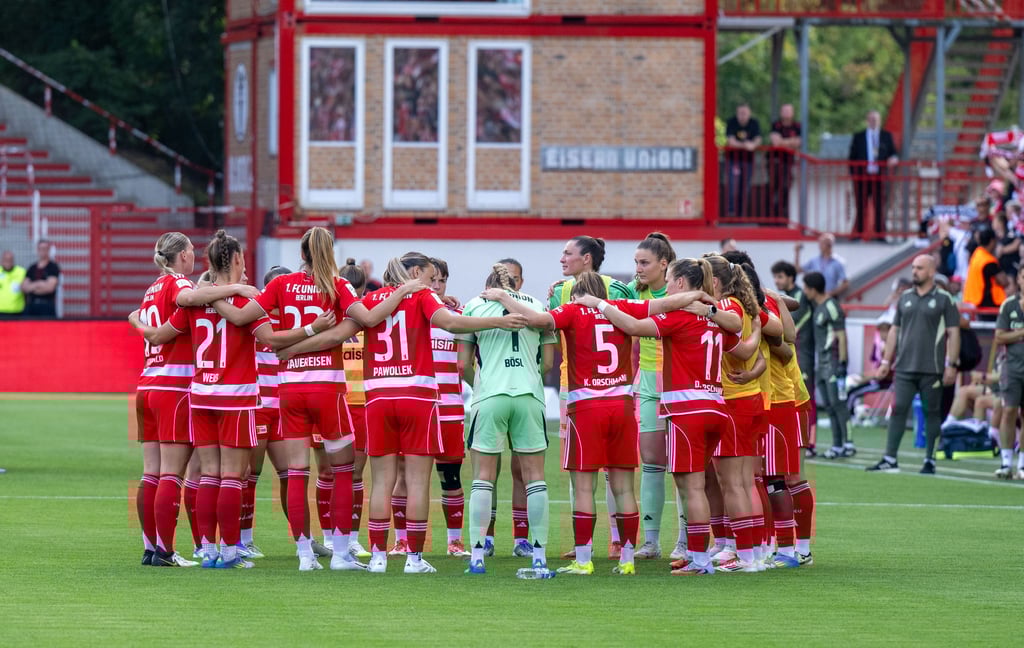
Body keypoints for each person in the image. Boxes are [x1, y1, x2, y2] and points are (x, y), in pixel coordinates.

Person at [223, 227, 419, 571]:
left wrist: (212, 294)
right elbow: (370, 319)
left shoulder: (280, 285)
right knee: (344, 472)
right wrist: (404, 290)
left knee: (297, 472)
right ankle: (342, 553)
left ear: (302, 253)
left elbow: (246, 322)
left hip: (290, 390)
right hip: (328, 388)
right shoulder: (338, 286)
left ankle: (304, 555)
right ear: (330, 252)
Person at [133, 231, 328, 569]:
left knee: (207, 475)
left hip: (199, 394)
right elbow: (270, 339)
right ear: (237, 260)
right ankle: (230, 551)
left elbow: (159, 334)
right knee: (231, 478)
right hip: (235, 396)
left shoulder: (194, 300)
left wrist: (135, 317)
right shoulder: (245, 303)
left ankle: (206, 550)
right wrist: (312, 331)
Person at [577, 259, 743, 575]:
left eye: (669, 279)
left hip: (687, 409)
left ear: (681, 282)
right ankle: (702, 554)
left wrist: (598, 303)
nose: (666, 286)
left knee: (691, 487)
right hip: (716, 407)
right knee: (700, 485)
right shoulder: (716, 317)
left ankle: (700, 560)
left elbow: (633, 327)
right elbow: (739, 342)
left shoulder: (681, 314)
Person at [484, 271, 642, 576]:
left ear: (577, 294)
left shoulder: (572, 310)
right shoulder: (619, 310)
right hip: (622, 405)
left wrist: (504, 297)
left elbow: (537, 319)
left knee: (584, 486)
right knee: (623, 487)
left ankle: (583, 559)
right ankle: (627, 559)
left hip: (586, 406)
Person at [128, 231, 257, 568]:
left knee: (152, 473)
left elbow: (157, 333)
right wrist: (237, 288)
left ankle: (152, 547)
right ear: (183, 256)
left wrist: (136, 322)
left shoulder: (151, 289)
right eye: (189, 251)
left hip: (147, 384)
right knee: (176, 474)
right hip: (177, 386)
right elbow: (190, 299)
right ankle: (168, 551)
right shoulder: (179, 284)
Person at [460, 263, 555, 575]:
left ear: (489, 286)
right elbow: (549, 363)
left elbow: (463, 365)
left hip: (490, 397)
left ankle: (477, 556)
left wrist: (484, 385)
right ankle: (538, 556)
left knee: (483, 478)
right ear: (516, 283)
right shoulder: (536, 305)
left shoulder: (474, 306)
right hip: (528, 396)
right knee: (535, 478)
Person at [550, 236, 636, 559]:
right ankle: (595, 545)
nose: (562, 258)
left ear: (587, 259)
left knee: (599, 471)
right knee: (588, 471)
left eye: (567, 253)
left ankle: (612, 540)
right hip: (574, 385)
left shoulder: (617, 290)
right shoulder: (559, 288)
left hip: (591, 390)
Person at [626, 233, 687, 561]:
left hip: (678, 381)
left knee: (682, 466)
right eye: (636, 262)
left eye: (644, 262)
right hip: (647, 383)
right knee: (650, 461)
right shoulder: (635, 291)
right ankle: (650, 541)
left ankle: (686, 539)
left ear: (664, 265)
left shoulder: (680, 290)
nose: (638, 268)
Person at [871, 255, 960, 474]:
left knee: (932, 412)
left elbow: (954, 333)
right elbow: (894, 330)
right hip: (903, 367)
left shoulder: (945, 299)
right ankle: (890, 458)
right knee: (898, 408)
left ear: (931, 271)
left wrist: (952, 364)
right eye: (913, 268)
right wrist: (885, 361)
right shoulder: (904, 298)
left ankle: (930, 459)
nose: (914, 272)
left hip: (933, 368)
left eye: (919, 268)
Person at [803, 271, 852, 459]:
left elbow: (841, 335)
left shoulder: (831, 306)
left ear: (813, 289)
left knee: (839, 404)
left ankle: (848, 443)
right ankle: (837, 445)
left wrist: (842, 362)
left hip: (833, 362)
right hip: (821, 363)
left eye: (807, 288)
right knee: (830, 406)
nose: (805, 292)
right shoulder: (818, 307)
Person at [771, 260, 817, 454]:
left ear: (790, 277)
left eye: (780, 276)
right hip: (790, 353)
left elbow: (793, 329)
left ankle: (809, 441)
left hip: (802, 353)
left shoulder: (799, 299)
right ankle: (794, 439)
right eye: (775, 276)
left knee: (804, 396)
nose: (776, 280)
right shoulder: (784, 297)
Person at [993, 264, 1024, 479]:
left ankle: (1022, 464)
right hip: (1012, 367)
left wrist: (1015, 334)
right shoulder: (1009, 305)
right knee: (1009, 411)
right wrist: (1020, 333)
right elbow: (999, 336)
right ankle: (1006, 462)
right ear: (1019, 280)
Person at [849, 110, 899, 240]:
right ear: (867, 120)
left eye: (875, 119)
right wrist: (854, 176)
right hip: (862, 177)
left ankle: (880, 234)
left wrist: (893, 159)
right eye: (871, 119)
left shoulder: (886, 136)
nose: (873, 122)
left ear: (879, 121)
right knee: (861, 205)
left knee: (879, 206)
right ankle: (858, 234)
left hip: (879, 177)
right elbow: (852, 157)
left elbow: (893, 152)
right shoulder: (858, 137)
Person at [725, 103, 762, 218]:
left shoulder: (754, 123)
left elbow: (758, 140)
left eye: (745, 113)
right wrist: (746, 145)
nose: (742, 116)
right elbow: (731, 141)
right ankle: (731, 213)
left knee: (745, 188)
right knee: (732, 187)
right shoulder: (731, 122)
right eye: (740, 113)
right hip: (733, 160)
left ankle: (741, 214)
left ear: (749, 113)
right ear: (737, 113)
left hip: (748, 161)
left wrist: (752, 145)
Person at [963, 227, 1007, 320]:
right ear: (992, 241)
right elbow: (1004, 281)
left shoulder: (977, 254)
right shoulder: (988, 261)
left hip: (974, 302)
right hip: (987, 306)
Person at [768, 103, 802, 219]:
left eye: (789, 111)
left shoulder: (797, 126)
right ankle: (772, 214)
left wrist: (783, 142)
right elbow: (776, 142)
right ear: (781, 112)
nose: (786, 113)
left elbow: (799, 142)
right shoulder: (776, 125)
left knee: (786, 186)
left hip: (789, 163)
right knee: (773, 187)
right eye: (784, 111)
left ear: (793, 113)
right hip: (775, 161)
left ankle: (783, 213)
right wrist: (790, 143)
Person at [794, 234, 848, 298]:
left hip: (830, 298)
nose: (819, 246)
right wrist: (797, 253)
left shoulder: (838, 262)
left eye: (822, 243)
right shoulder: (814, 260)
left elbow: (845, 283)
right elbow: (797, 270)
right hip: (815, 298)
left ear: (829, 245)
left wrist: (830, 293)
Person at [21, 240, 60, 318]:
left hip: (46, 306)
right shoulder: (32, 268)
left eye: (45, 248)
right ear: (37, 250)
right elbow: (24, 287)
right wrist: (40, 283)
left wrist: (32, 286)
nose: (42, 251)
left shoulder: (53, 267)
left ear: (49, 250)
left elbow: (50, 288)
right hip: (32, 306)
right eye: (40, 248)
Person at [0, 250, 26, 318]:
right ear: (1, 260)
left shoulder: (22, 272)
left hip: (17, 311)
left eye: (10, 259)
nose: (8, 262)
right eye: (6, 259)